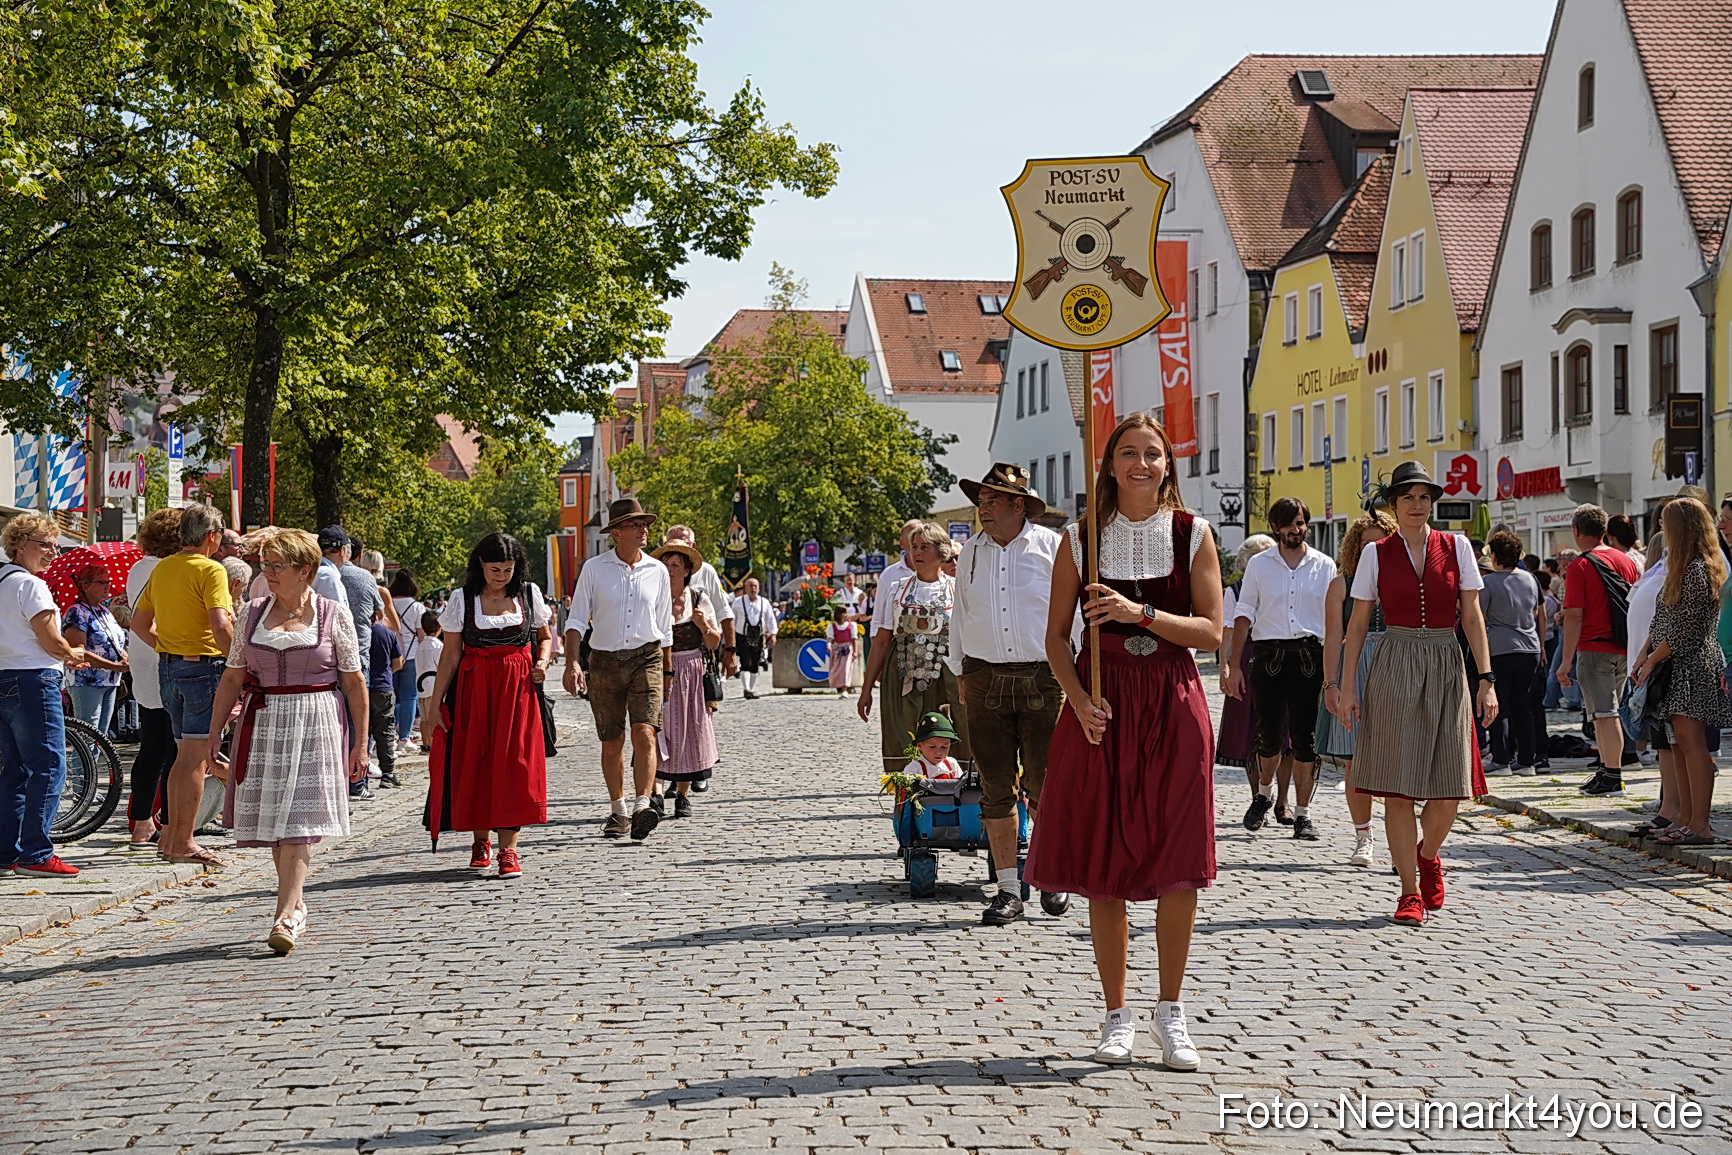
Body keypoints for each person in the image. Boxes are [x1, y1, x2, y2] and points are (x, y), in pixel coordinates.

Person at [1023, 413, 1221, 1069]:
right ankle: (1116, 1013)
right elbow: (1056, 637)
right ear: (1109, 465)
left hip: (1171, 700)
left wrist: (1141, 614)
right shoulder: (1080, 539)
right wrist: (1078, 702)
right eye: (1128, 453)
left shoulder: (1194, 534)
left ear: (1168, 464)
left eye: (1152, 453)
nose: (1141, 464)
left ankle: (1171, 1010)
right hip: (1102, 704)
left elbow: (1211, 632)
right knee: (1104, 862)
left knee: (1178, 858)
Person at [1336, 462, 1497, 927]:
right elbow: (1358, 625)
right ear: (1394, 504)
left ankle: (1427, 855)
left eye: (1424, 497)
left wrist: (1486, 679)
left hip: (1446, 661)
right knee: (1397, 786)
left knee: (1450, 785)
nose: (1417, 504)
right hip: (1395, 661)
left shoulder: (1457, 547)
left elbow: (1473, 617)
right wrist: (1348, 687)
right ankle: (1408, 890)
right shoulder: (1376, 554)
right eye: (1408, 497)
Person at [204, 527, 368, 953]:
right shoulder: (252, 613)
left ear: (304, 570)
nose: (268, 573)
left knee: (297, 823)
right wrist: (214, 731)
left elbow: (354, 682)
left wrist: (361, 743)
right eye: (265, 565)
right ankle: (297, 905)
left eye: (277, 565)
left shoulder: (333, 614)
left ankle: (284, 915)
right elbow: (232, 677)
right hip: (263, 722)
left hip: (316, 721)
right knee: (278, 824)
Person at [948, 461, 1066, 926]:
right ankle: (1008, 889)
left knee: (1045, 784)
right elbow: (960, 612)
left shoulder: (1052, 547)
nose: (983, 508)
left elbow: (1072, 613)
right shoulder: (970, 553)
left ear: (1019, 505)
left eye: (993, 500)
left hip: (1043, 675)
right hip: (983, 676)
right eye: (981, 500)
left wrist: (1077, 673)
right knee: (995, 787)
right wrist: (960, 668)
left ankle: (1051, 875)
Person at [426, 532, 553, 876]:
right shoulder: (463, 599)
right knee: (477, 762)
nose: (502, 576)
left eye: (508, 569)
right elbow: (451, 654)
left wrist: (542, 662)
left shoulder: (528, 594)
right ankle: (481, 840)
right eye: (495, 569)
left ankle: (508, 850)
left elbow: (544, 637)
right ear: (481, 564)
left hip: (518, 690)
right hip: (475, 688)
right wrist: (435, 706)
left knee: (515, 765)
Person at [129, 503, 235, 867]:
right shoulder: (211, 569)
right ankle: (184, 841)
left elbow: (139, 623)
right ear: (212, 536)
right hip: (203, 668)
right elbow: (220, 623)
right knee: (194, 759)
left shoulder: (164, 567)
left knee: (179, 757)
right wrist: (239, 664)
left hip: (168, 668)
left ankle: (172, 838)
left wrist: (167, 646)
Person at [1226, 497, 1337, 841]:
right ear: (1275, 527)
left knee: (1306, 741)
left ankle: (1303, 815)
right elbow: (1244, 612)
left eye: (1300, 523)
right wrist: (1233, 665)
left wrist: (1335, 674)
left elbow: (1333, 621)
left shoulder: (1324, 565)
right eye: (1288, 524)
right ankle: (1263, 793)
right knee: (1268, 737)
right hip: (1268, 655)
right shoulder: (1259, 565)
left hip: (1309, 656)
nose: (1295, 530)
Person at [563, 498, 672, 841]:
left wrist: (668, 672)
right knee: (612, 740)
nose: (643, 530)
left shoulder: (657, 570)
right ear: (616, 533)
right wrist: (571, 663)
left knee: (645, 732)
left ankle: (643, 805)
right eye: (635, 525)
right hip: (605, 661)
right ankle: (618, 810)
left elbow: (665, 627)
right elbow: (576, 619)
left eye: (644, 524)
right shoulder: (595, 568)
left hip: (647, 657)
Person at [1632, 499, 1730, 848]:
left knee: (1692, 744)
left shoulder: (1698, 569)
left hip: (1692, 666)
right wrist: (1644, 652)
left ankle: (1699, 824)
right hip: (1674, 664)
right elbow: (1663, 619)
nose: (1661, 528)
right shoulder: (1681, 566)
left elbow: (1687, 627)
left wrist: (1651, 660)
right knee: (1678, 744)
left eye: (1666, 522)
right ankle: (1686, 819)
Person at [0, 513, 88, 877]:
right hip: (33, 678)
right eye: (44, 544)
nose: (52, 551)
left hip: (3, 676)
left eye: (55, 545)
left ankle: (6, 853)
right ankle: (36, 853)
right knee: (49, 766)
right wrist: (72, 653)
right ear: (20, 545)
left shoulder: (2, 579)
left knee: (15, 770)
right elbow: (51, 640)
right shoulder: (31, 585)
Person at [857, 522, 969, 779]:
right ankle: (907, 791)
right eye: (914, 547)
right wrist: (866, 689)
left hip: (948, 676)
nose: (916, 552)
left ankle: (954, 787)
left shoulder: (957, 589)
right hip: (903, 673)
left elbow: (968, 637)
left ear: (941, 552)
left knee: (952, 731)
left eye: (924, 547)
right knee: (904, 733)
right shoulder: (897, 589)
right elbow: (882, 640)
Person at [1316, 510, 1396, 868]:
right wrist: (1331, 684)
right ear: (1355, 547)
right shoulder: (1341, 584)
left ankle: (1400, 842)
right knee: (1355, 761)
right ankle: (1364, 836)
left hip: (1395, 665)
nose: (1372, 550)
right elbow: (1333, 637)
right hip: (1355, 668)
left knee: (1397, 760)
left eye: (1380, 543)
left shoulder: (1402, 580)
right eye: (1365, 544)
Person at [1556, 505, 1641, 797]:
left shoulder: (1579, 566)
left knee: (1604, 714)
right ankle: (1605, 771)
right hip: (1623, 645)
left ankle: (1613, 776)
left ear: (1576, 531)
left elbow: (1574, 615)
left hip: (1594, 646)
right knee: (1606, 711)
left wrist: (1566, 661)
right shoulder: (1625, 560)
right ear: (1605, 531)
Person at [648, 541, 721, 818]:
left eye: (675, 565)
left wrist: (703, 625)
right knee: (655, 729)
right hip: (658, 669)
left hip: (691, 670)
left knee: (689, 729)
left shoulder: (698, 599)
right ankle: (655, 794)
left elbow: (714, 643)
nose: (669, 569)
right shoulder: (653, 598)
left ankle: (683, 795)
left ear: (687, 570)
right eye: (665, 564)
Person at [124, 509, 182, 850]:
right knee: (174, 749)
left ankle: (142, 821)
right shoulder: (169, 568)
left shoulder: (137, 568)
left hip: (143, 658)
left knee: (151, 748)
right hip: (165, 654)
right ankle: (171, 825)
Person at [322, 528, 383, 800]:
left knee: (332, 723)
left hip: (323, 660)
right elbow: (378, 614)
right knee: (357, 720)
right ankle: (356, 782)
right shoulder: (361, 577)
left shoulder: (309, 573)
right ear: (345, 550)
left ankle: (335, 781)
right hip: (356, 656)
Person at [1480, 531, 1544, 776]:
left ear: (1495, 556)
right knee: (1523, 705)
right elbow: (1537, 612)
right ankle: (1527, 761)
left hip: (1500, 648)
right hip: (1530, 647)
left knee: (1499, 705)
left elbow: (1479, 616)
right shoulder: (1530, 579)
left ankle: (1501, 758)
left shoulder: (1489, 583)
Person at [1215, 535, 1274, 778]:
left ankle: (1282, 796)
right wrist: (1225, 669)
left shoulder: (1283, 585)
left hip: (1280, 654)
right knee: (1250, 730)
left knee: (1286, 733)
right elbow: (1227, 634)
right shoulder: (1235, 591)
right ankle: (1259, 792)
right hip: (1248, 657)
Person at [662, 526, 737, 685]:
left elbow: (723, 611)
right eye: (673, 542)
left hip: (699, 656)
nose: (679, 546)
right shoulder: (659, 574)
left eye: (684, 542)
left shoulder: (706, 572)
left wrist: (730, 651)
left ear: (693, 546)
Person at [61, 565, 128, 735]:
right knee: (88, 734)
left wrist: (125, 658)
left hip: (110, 680)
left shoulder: (104, 611)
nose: (107, 586)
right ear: (85, 585)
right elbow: (79, 652)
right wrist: (115, 666)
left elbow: (116, 643)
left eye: (108, 582)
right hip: (87, 681)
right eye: (101, 582)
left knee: (101, 736)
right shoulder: (76, 612)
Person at [388, 570, 425, 755]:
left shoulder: (388, 603)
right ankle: (405, 737)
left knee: (392, 697)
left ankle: (391, 736)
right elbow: (421, 635)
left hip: (391, 656)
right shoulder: (417, 607)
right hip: (411, 656)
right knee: (409, 697)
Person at [368, 611, 405, 788]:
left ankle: (359, 777)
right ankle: (388, 773)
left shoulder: (356, 631)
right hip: (383, 687)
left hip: (359, 688)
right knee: (386, 732)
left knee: (361, 731)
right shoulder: (387, 633)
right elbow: (398, 662)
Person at [731, 577, 777, 698]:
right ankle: (746, 689)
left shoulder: (764, 602)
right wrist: (730, 637)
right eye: (751, 586)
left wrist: (773, 634)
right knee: (745, 662)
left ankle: (751, 689)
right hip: (742, 636)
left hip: (759, 636)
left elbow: (770, 618)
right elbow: (732, 621)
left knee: (755, 663)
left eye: (755, 586)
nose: (753, 588)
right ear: (745, 588)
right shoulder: (738, 602)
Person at [414, 610, 444, 753]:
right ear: (439, 627)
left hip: (421, 685)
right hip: (433, 685)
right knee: (432, 716)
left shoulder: (420, 646)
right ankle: (433, 743)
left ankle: (425, 743)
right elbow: (441, 666)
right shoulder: (438, 646)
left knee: (424, 718)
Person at [905, 711, 961, 779]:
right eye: (932, 747)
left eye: (944, 747)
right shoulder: (915, 768)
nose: (939, 752)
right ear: (919, 746)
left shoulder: (952, 764)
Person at [826, 605, 856, 696]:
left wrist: (855, 651)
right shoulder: (832, 626)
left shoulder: (851, 625)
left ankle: (844, 689)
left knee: (846, 668)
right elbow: (830, 639)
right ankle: (838, 686)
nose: (846, 615)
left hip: (847, 648)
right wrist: (829, 645)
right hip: (837, 649)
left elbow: (854, 639)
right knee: (837, 669)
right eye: (844, 613)